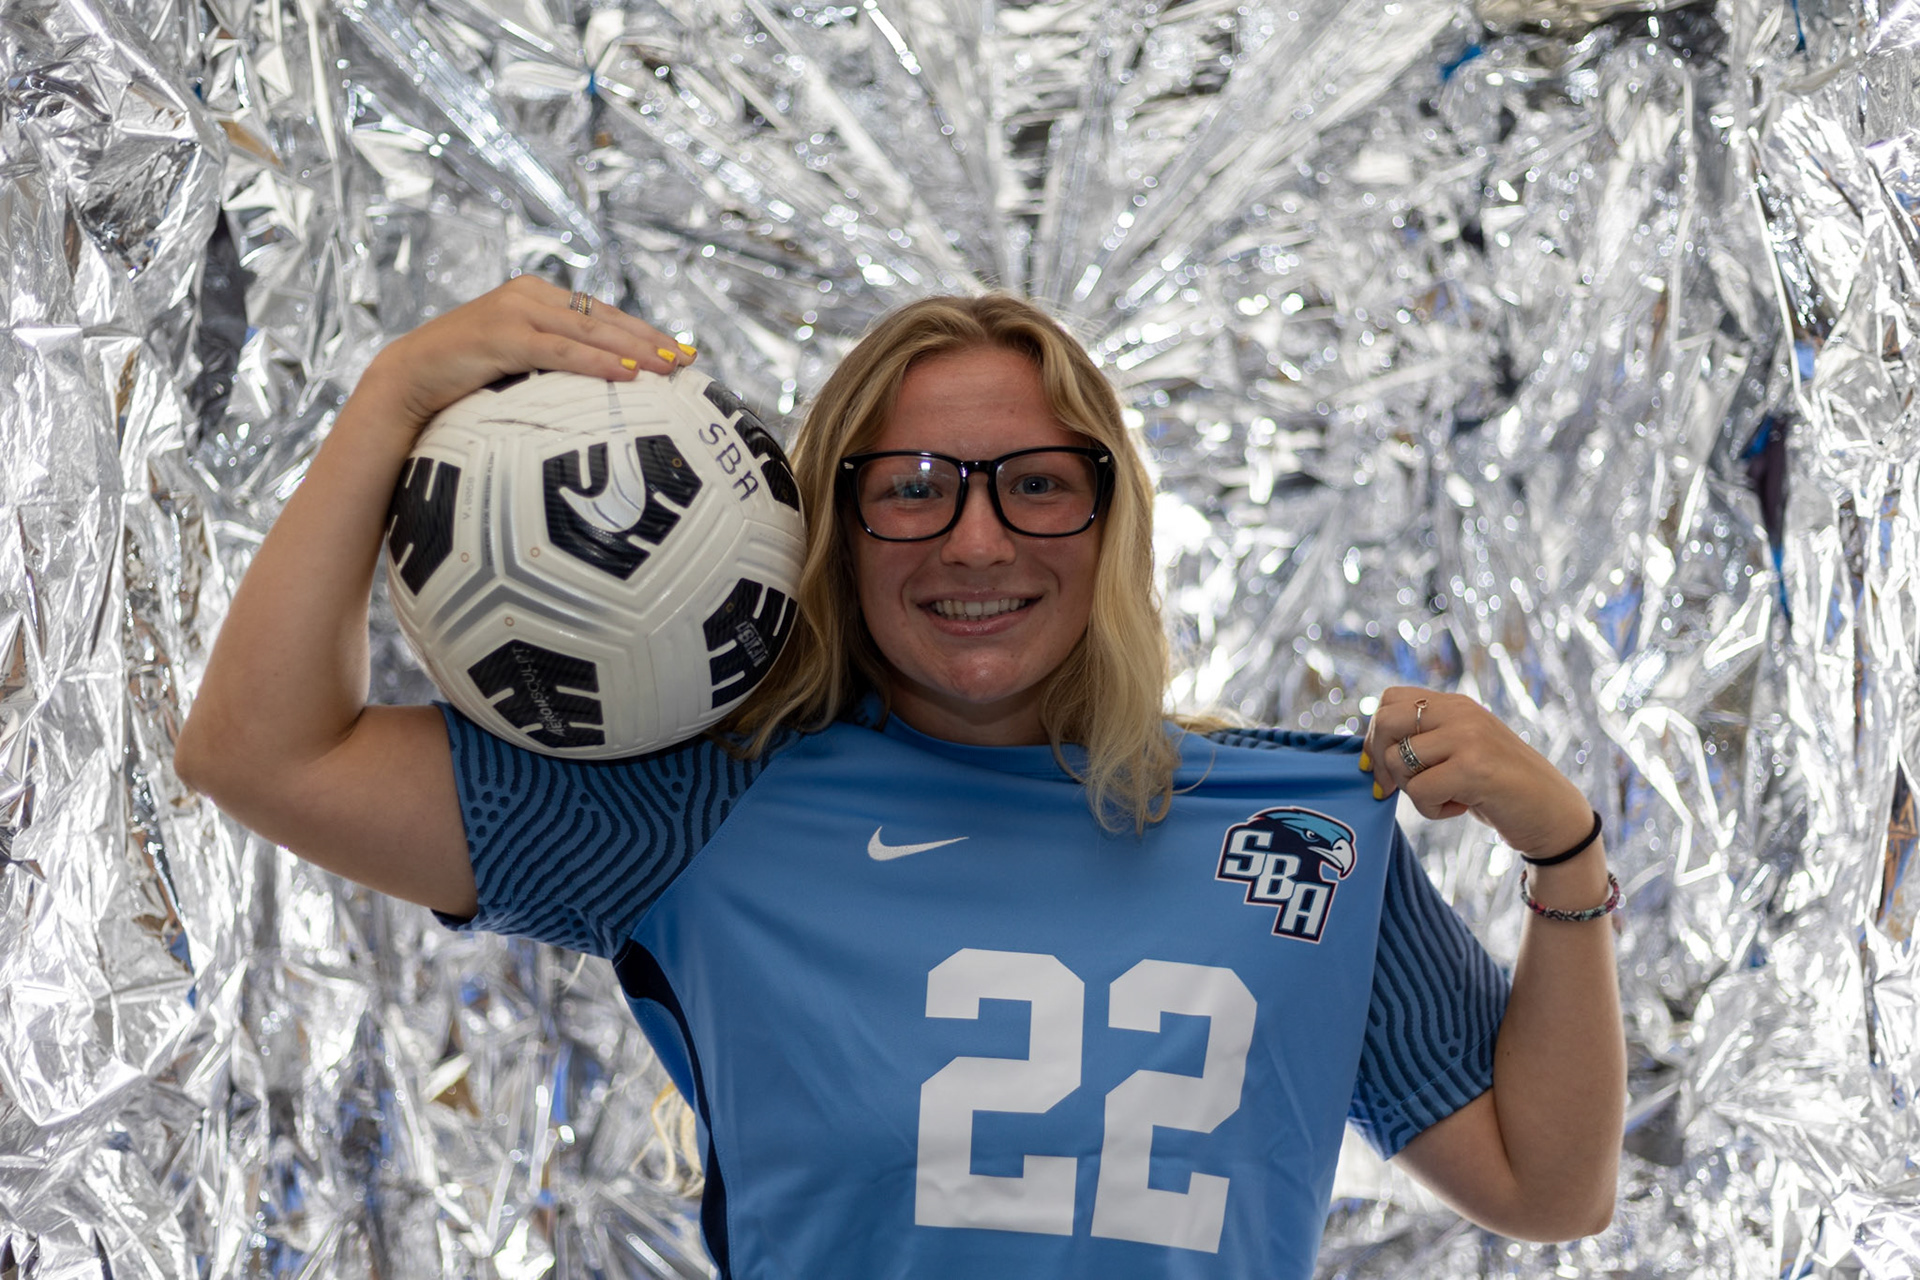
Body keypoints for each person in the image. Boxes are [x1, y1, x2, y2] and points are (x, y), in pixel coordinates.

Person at [175, 276, 1625, 1279]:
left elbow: (1546, 1186)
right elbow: (263, 751)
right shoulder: (704, 816)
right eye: (913, 487)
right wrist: (391, 399)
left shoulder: (1299, 831)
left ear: (1110, 518)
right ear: (831, 527)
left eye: (1035, 483)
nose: (977, 543)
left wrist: (1565, 861)